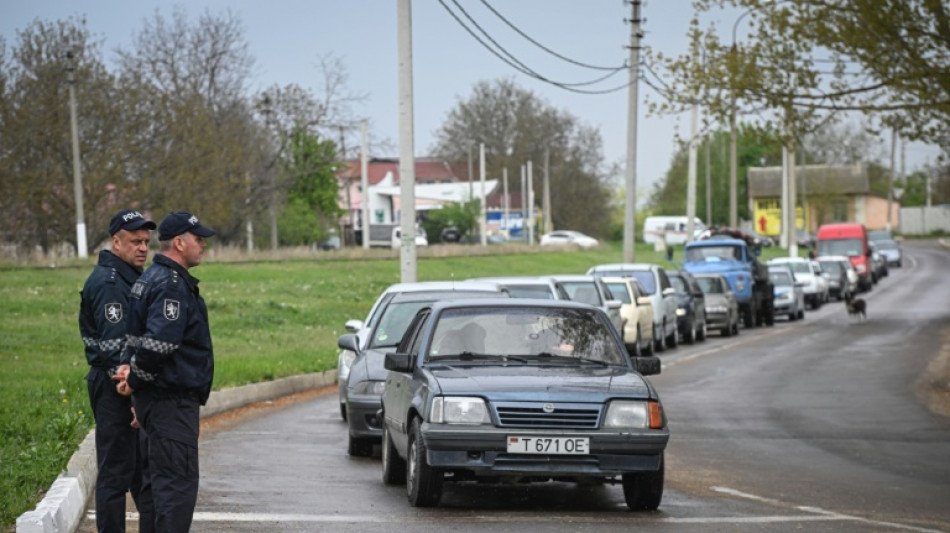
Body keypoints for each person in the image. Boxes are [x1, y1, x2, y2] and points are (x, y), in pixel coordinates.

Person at [115, 211, 216, 532]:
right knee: (175, 490)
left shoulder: (148, 279)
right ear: (179, 242)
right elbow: (158, 343)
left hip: (154, 403)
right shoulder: (172, 286)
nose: (203, 246)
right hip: (171, 403)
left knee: (156, 493)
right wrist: (133, 382)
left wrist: (136, 390)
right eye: (198, 239)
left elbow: (132, 340)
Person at [79, 209, 156, 533]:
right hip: (115, 386)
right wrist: (134, 396)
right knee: (114, 476)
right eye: (135, 241)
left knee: (140, 473)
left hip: (125, 383)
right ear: (116, 242)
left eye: (146, 242)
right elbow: (115, 351)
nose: (142, 248)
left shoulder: (130, 278)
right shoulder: (111, 284)